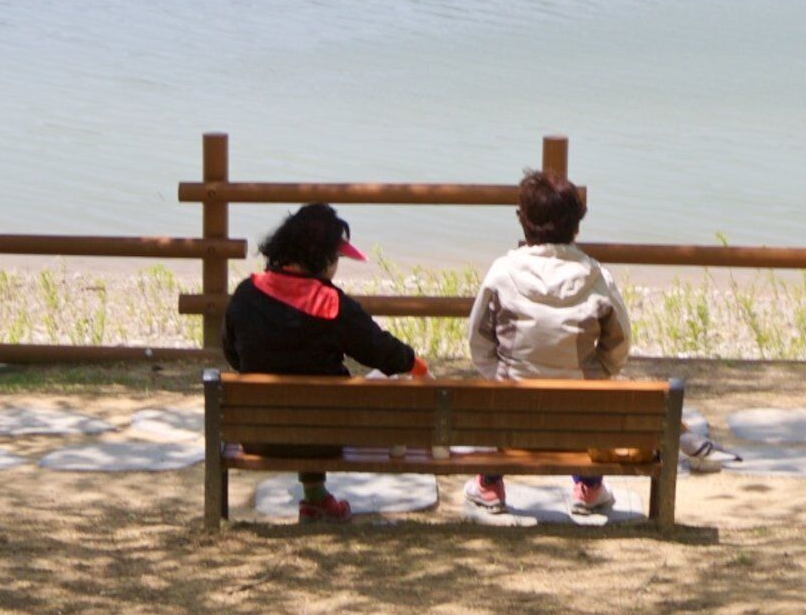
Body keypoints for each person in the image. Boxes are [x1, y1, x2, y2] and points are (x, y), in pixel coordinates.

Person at [221, 202, 423, 522]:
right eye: (336, 257)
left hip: (259, 434)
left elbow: (232, 354)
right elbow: (381, 351)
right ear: (324, 257)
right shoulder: (332, 304)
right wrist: (414, 363)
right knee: (339, 393)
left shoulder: (246, 294)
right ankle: (316, 497)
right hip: (323, 436)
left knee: (295, 396)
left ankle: (315, 498)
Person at [464, 167, 633, 518]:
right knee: (585, 404)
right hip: (577, 418)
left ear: (522, 221)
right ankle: (589, 486)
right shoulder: (597, 276)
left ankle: (489, 483)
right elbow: (619, 341)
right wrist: (598, 372)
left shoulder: (502, 273)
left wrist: (499, 373)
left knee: (502, 396)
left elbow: (478, 339)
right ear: (576, 225)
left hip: (512, 417)